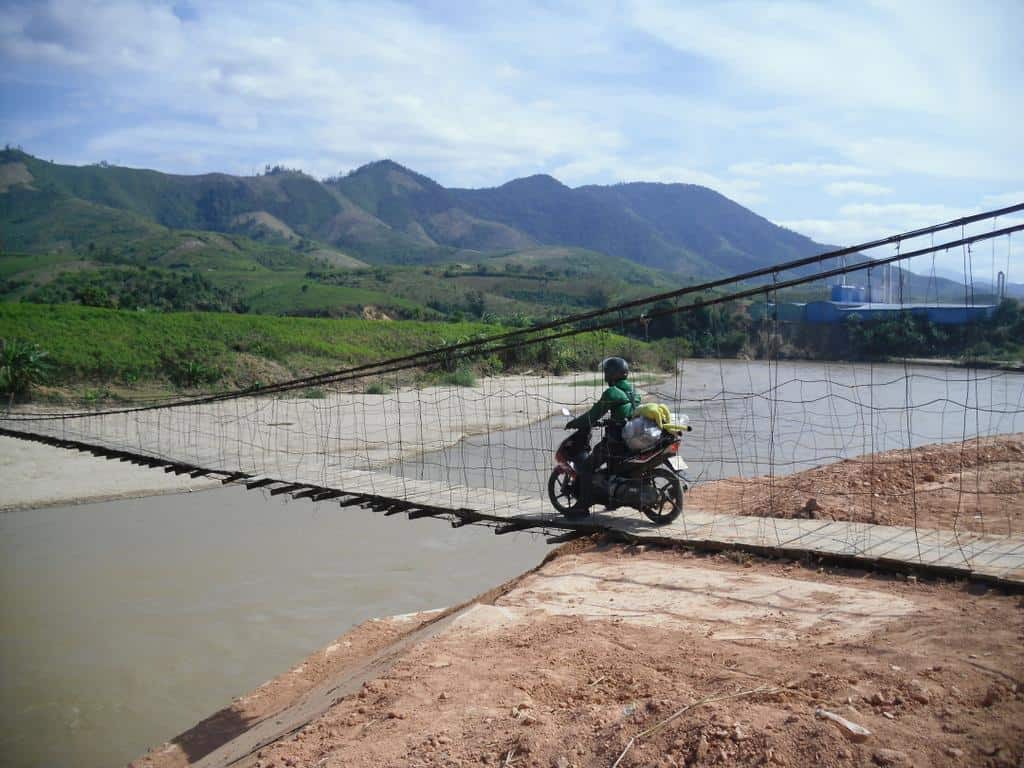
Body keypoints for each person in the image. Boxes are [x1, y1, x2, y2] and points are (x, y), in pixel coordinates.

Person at [565, 356, 640, 514]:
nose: (605, 375)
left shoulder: (612, 392)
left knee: (586, 467)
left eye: (606, 372)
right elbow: (626, 412)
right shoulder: (633, 390)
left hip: (615, 442)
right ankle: (612, 501)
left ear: (612, 373)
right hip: (631, 439)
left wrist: (574, 423)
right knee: (610, 468)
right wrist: (611, 420)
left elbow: (593, 415)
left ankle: (582, 505)